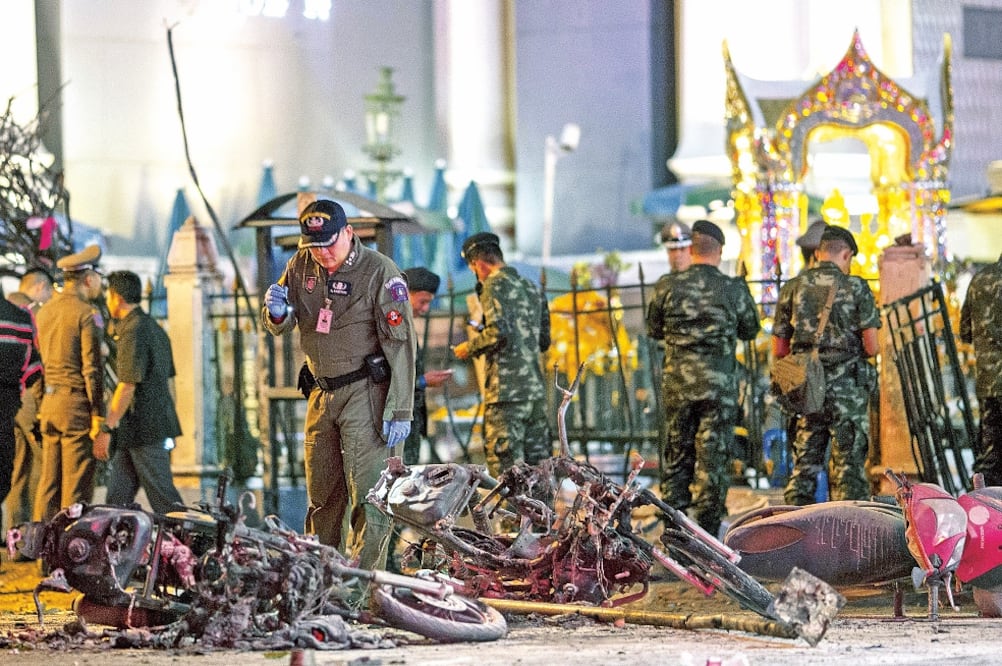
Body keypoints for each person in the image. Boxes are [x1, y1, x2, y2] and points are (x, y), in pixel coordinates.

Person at [262, 198, 416, 572]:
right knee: (322, 496)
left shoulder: (380, 271)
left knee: (368, 495)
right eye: (314, 245)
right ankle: (319, 580)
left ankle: (362, 591)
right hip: (320, 392)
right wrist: (276, 312)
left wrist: (400, 408)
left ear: (349, 233)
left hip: (365, 393)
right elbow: (282, 323)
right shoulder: (300, 264)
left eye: (329, 243)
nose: (323, 253)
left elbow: (401, 344)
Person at [646, 220, 760, 536]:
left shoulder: (667, 287)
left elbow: (653, 329)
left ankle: (674, 529)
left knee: (677, 454)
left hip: (678, 386)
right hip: (718, 388)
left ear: (691, 250)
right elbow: (751, 330)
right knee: (713, 457)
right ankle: (708, 531)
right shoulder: (733, 288)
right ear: (720, 250)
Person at [773, 226, 880, 505]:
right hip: (847, 391)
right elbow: (871, 346)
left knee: (805, 466)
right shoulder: (856, 287)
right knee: (849, 470)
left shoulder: (793, 287)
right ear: (846, 254)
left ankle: (795, 528)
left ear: (819, 253)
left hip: (806, 389)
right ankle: (847, 535)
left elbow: (779, 349)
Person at [452, 232, 552, 477]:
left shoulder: (493, 284)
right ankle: (541, 516)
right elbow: (544, 341)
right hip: (535, 395)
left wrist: (470, 347)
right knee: (538, 473)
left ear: (479, 264)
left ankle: (512, 518)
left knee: (508, 474)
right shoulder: (532, 287)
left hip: (506, 396)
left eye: (474, 270)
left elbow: (498, 332)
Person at [92, 270, 184, 515]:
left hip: (144, 429)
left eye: (108, 296)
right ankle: (114, 550)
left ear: (117, 297)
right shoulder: (154, 328)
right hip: (139, 429)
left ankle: (191, 547)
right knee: (116, 502)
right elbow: (169, 384)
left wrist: (106, 428)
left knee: (164, 500)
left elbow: (127, 385)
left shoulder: (133, 331)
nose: (107, 301)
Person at [33, 245, 106, 522]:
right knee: (75, 485)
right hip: (75, 405)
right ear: (88, 278)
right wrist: (97, 413)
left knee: (48, 481)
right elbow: (92, 369)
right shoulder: (86, 314)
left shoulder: (44, 312)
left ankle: (44, 554)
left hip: (50, 404)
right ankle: (69, 554)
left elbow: (40, 363)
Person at [3, 268, 53, 532]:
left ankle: (14, 535)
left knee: (17, 471)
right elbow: (37, 366)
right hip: (28, 403)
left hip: (12, 406)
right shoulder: (28, 316)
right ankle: (35, 536)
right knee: (43, 470)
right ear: (37, 287)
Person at [401, 267, 453, 465]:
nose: (425, 309)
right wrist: (422, 381)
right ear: (405, 293)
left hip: (412, 421)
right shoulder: (392, 328)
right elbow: (385, 379)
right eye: (422, 301)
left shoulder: (407, 327)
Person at [960, 251, 1002, 486]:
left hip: (988, 383)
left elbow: (965, 331)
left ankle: (984, 510)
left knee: (990, 456)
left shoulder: (979, 280)